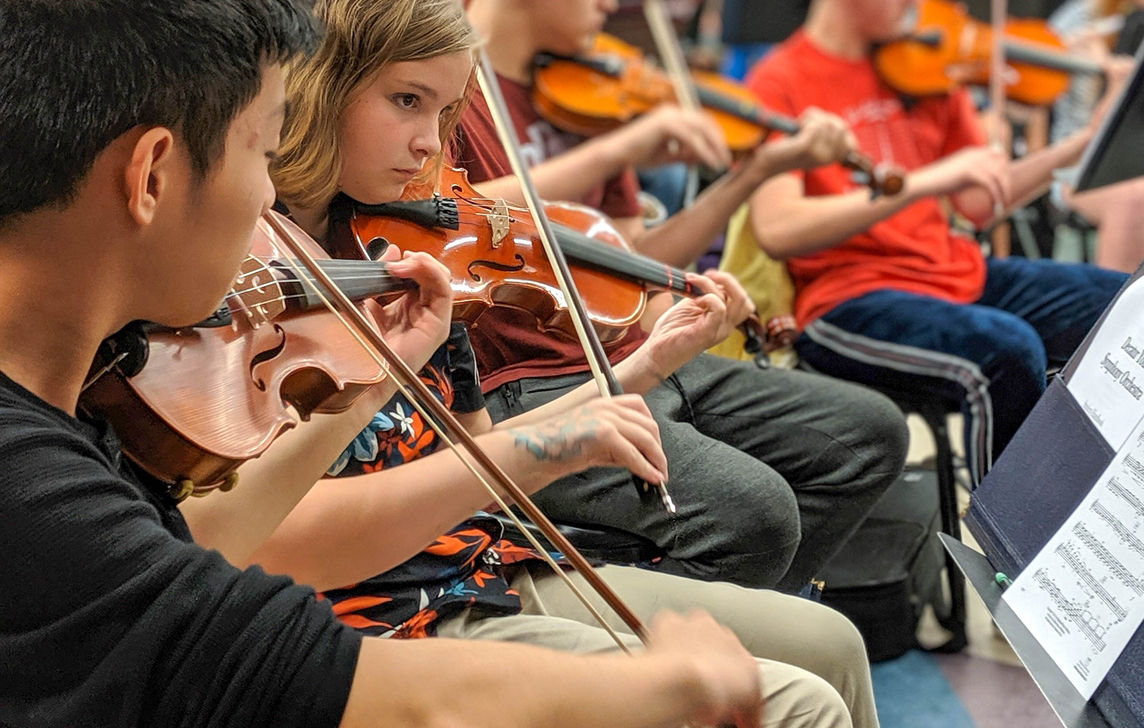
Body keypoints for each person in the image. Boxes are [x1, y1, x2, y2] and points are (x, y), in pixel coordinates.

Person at [0, 1, 793, 726]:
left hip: (465, 575)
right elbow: (321, 668)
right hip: (388, 612)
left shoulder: (62, 440)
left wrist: (387, 372)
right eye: (263, 152)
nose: (269, 205)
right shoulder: (40, 484)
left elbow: (205, 543)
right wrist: (669, 685)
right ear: (151, 175)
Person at [240, 2, 882, 727]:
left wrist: (639, 371)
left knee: (833, 643)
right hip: (390, 614)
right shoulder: (257, 271)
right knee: (802, 701)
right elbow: (274, 538)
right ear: (323, 85)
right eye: (407, 101)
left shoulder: (408, 254)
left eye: (445, 113)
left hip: (485, 567)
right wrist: (552, 443)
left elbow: (476, 463)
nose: (429, 144)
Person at [441, 0, 910, 594]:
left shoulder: (590, 93)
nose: (612, 6)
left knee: (869, 434)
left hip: (628, 351)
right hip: (527, 385)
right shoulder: (446, 89)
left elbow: (633, 257)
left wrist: (755, 173)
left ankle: (762, 621)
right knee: (755, 512)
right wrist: (617, 151)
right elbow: (451, 213)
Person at [743, 0, 1131, 485]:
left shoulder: (925, 63)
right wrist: (924, 182)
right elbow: (778, 229)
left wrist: (1083, 143)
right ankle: (1007, 529)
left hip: (951, 271)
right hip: (848, 299)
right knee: (1007, 352)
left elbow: (979, 200)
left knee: (1125, 305)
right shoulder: (778, 79)